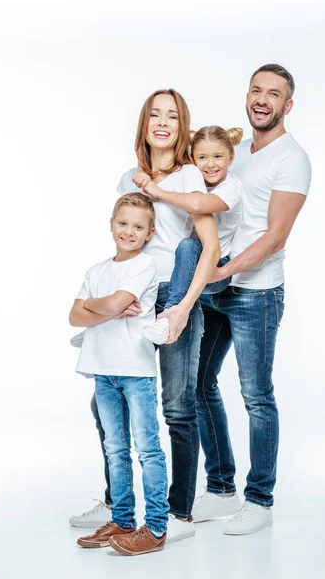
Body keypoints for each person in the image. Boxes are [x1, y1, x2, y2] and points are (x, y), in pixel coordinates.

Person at [70, 89, 220, 543]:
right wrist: (109, 295)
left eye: (172, 116)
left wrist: (181, 309)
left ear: (182, 127)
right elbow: (129, 234)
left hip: (174, 298)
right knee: (106, 401)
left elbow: (207, 247)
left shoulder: (190, 174)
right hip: (135, 295)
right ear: (144, 123)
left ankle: (176, 515)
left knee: (177, 406)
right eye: (154, 114)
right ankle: (120, 504)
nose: (162, 122)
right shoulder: (128, 178)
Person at [191, 64, 312, 535]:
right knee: (199, 386)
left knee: (257, 396)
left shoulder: (292, 158)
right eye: (257, 90)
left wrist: (223, 271)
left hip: (256, 293)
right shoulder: (233, 153)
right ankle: (221, 490)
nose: (263, 99)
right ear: (247, 96)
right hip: (215, 288)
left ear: (288, 105)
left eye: (274, 94)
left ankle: (259, 500)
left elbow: (276, 236)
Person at [69, 193, 169, 556]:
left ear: (150, 233)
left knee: (147, 449)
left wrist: (97, 305)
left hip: (135, 370)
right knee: (115, 448)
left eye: (138, 227)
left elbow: (99, 306)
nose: (129, 231)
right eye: (123, 223)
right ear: (111, 224)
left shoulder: (145, 266)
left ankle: (156, 527)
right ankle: (123, 519)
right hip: (103, 370)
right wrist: (107, 307)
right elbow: (74, 316)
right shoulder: (97, 271)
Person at [132, 125, 243, 345]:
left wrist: (158, 191)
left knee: (188, 244)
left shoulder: (231, 187)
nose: (210, 164)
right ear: (192, 159)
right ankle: (106, 326)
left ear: (231, 157)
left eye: (218, 156)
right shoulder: (191, 179)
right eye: (202, 157)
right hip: (187, 265)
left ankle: (170, 315)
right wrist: (144, 175)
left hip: (215, 267)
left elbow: (198, 203)